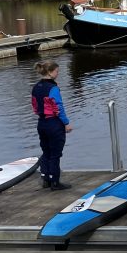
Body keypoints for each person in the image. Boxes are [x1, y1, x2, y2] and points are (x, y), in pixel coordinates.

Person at [31, 61, 73, 190]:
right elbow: (58, 107)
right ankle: (55, 182)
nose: (58, 74)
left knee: (46, 151)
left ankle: (46, 179)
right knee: (55, 153)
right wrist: (66, 123)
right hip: (53, 123)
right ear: (50, 72)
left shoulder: (36, 87)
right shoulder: (53, 88)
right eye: (56, 71)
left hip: (41, 123)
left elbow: (35, 105)